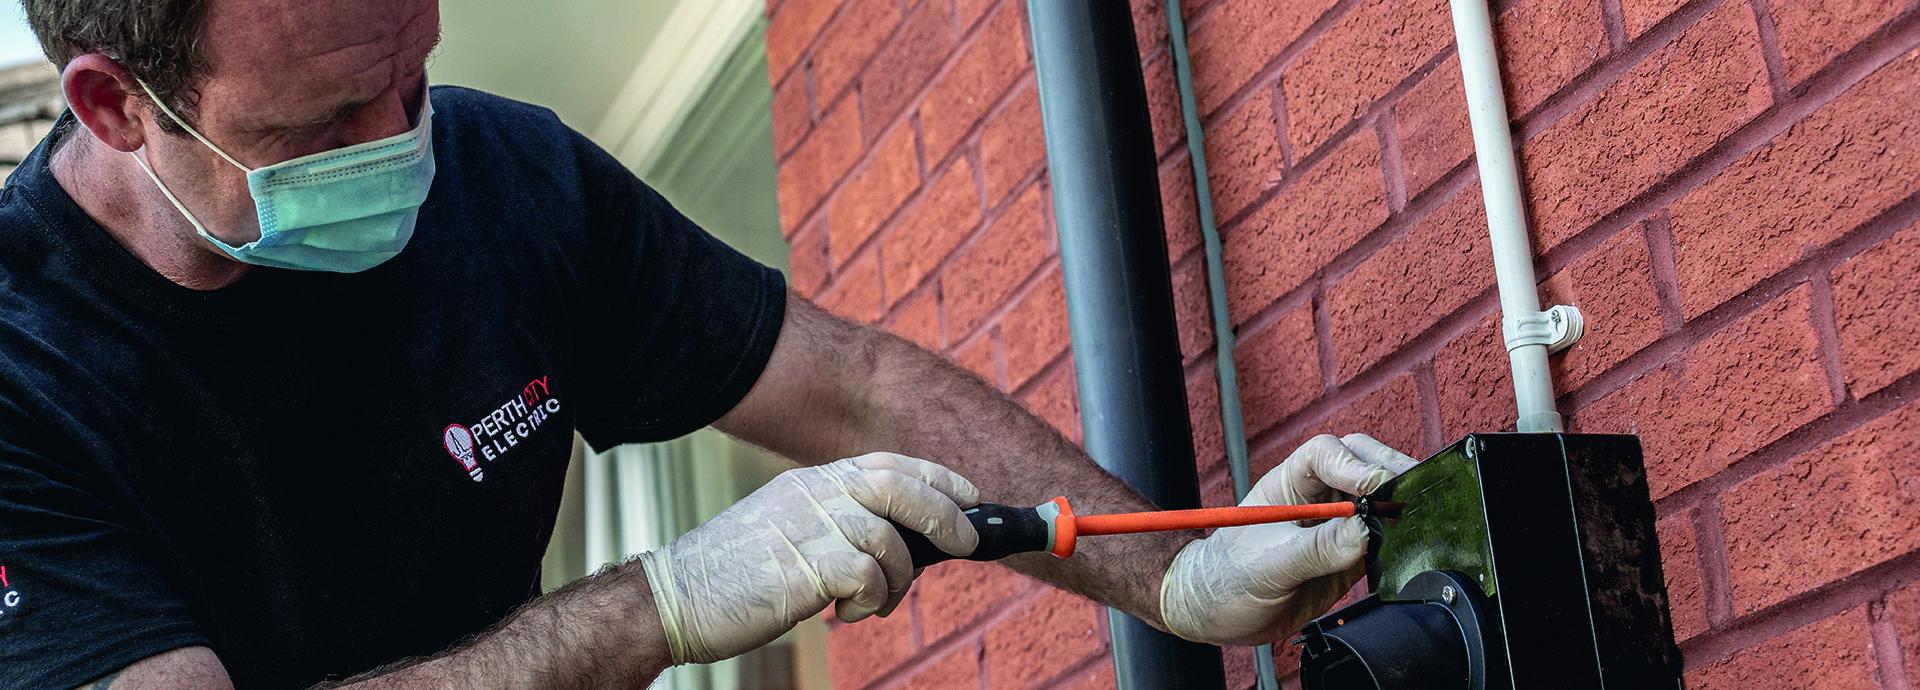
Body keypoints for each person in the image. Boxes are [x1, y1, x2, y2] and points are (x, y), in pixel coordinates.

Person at [0, 1, 1418, 688]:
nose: (405, 148)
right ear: (117, 106)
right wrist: (667, 599)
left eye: (414, 75)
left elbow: (854, 382)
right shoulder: (23, 369)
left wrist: (1172, 569)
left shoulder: (511, 180)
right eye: (324, 127)